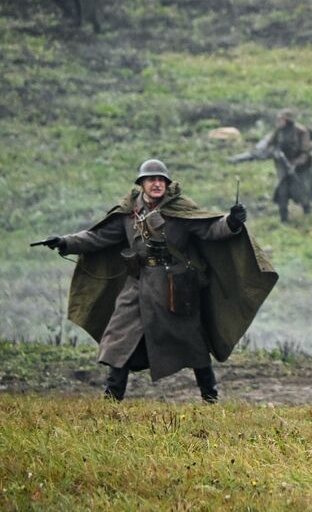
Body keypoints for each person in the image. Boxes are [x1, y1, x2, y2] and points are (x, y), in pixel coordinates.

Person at [34, 159, 276, 402]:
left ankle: (210, 396)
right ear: (142, 184)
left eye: (161, 180)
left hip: (175, 288)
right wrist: (65, 242)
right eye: (151, 180)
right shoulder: (129, 212)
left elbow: (210, 229)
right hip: (137, 286)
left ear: (167, 184)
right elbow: (96, 237)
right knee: (119, 338)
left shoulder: (180, 209)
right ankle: (111, 398)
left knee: (193, 343)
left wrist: (231, 222)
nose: (157, 184)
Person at [260, 109, 312, 222]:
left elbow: (305, 152)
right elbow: (270, 144)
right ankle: (283, 218)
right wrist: (274, 152)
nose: (279, 121)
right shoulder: (278, 131)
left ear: (288, 121)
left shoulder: (301, 131)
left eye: (282, 119)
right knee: (282, 190)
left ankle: (307, 213)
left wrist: (295, 164)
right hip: (283, 165)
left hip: (301, 166)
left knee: (301, 190)